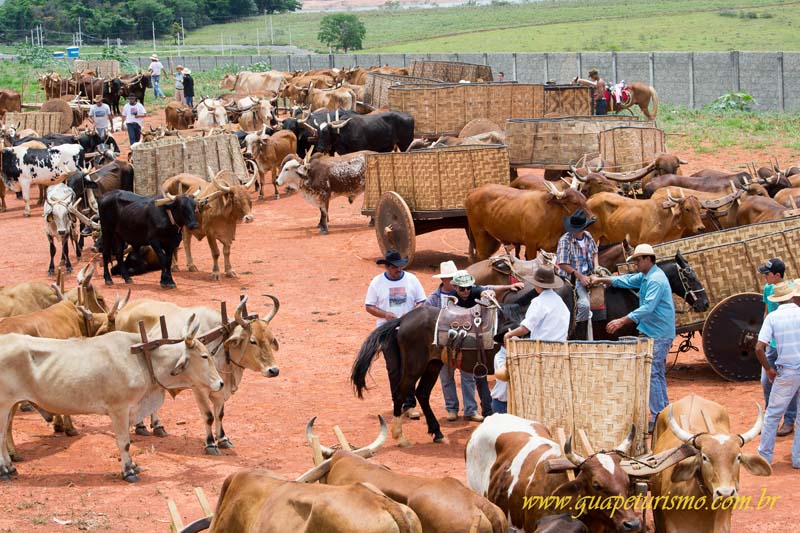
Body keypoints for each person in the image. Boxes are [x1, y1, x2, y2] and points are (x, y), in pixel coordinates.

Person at [591, 244, 675, 432]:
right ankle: (663, 413)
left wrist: (621, 321)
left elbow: (648, 308)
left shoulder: (655, 280)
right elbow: (626, 280)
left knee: (652, 373)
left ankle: (657, 416)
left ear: (647, 259)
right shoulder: (647, 276)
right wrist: (602, 279)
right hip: (657, 330)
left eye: (638, 260)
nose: (636, 263)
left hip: (658, 332)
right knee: (657, 372)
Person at [450, 270, 524, 421]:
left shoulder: (475, 290)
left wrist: (505, 288)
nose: (466, 291)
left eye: (468, 288)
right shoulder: (451, 298)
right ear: (455, 287)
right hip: (462, 333)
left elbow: (487, 289)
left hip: (478, 333)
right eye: (462, 288)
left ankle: (487, 409)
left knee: (479, 373)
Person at [496, 265, 571, 413]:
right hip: (559, 350)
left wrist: (509, 334)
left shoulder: (538, 303)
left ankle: (508, 406)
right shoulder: (560, 303)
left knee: (505, 361)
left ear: (537, 285)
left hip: (540, 351)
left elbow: (525, 328)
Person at [365, 249, 427, 419]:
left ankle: (409, 404)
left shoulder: (412, 279)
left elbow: (421, 301)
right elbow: (369, 306)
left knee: (408, 367)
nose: (398, 270)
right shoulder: (377, 283)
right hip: (387, 331)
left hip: (409, 331)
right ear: (387, 267)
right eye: (394, 267)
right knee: (393, 368)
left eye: (400, 267)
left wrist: (412, 315)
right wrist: (385, 315)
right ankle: (398, 400)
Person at [425, 261, 482, 422]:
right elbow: (426, 314)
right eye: (449, 278)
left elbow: (488, 289)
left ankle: (470, 409)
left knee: (468, 377)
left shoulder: (467, 293)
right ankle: (452, 409)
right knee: (446, 376)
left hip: (465, 343)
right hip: (444, 344)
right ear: (443, 280)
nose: (452, 281)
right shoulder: (434, 298)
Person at [755, 280, 800, 467]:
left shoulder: (772, 318)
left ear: (777, 300)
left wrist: (769, 369)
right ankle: (798, 459)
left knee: (773, 415)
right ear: (791, 296)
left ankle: (764, 458)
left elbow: (759, 348)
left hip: (786, 372)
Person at [758, 258, 796, 436]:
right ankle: (769, 417)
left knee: (791, 382)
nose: (765, 277)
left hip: (785, 344)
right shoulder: (767, 289)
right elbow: (767, 312)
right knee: (766, 381)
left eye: (767, 274)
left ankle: (789, 420)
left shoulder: (792, 289)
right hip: (772, 344)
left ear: (777, 275)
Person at [557, 208, 599, 340]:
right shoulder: (565, 240)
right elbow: (563, 263)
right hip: (571, 278)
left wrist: (596, 271)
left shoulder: (588, 236)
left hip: (589, 274)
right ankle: (578, 333)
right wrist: (580, 277)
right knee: (584, 305)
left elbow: (595, 253)